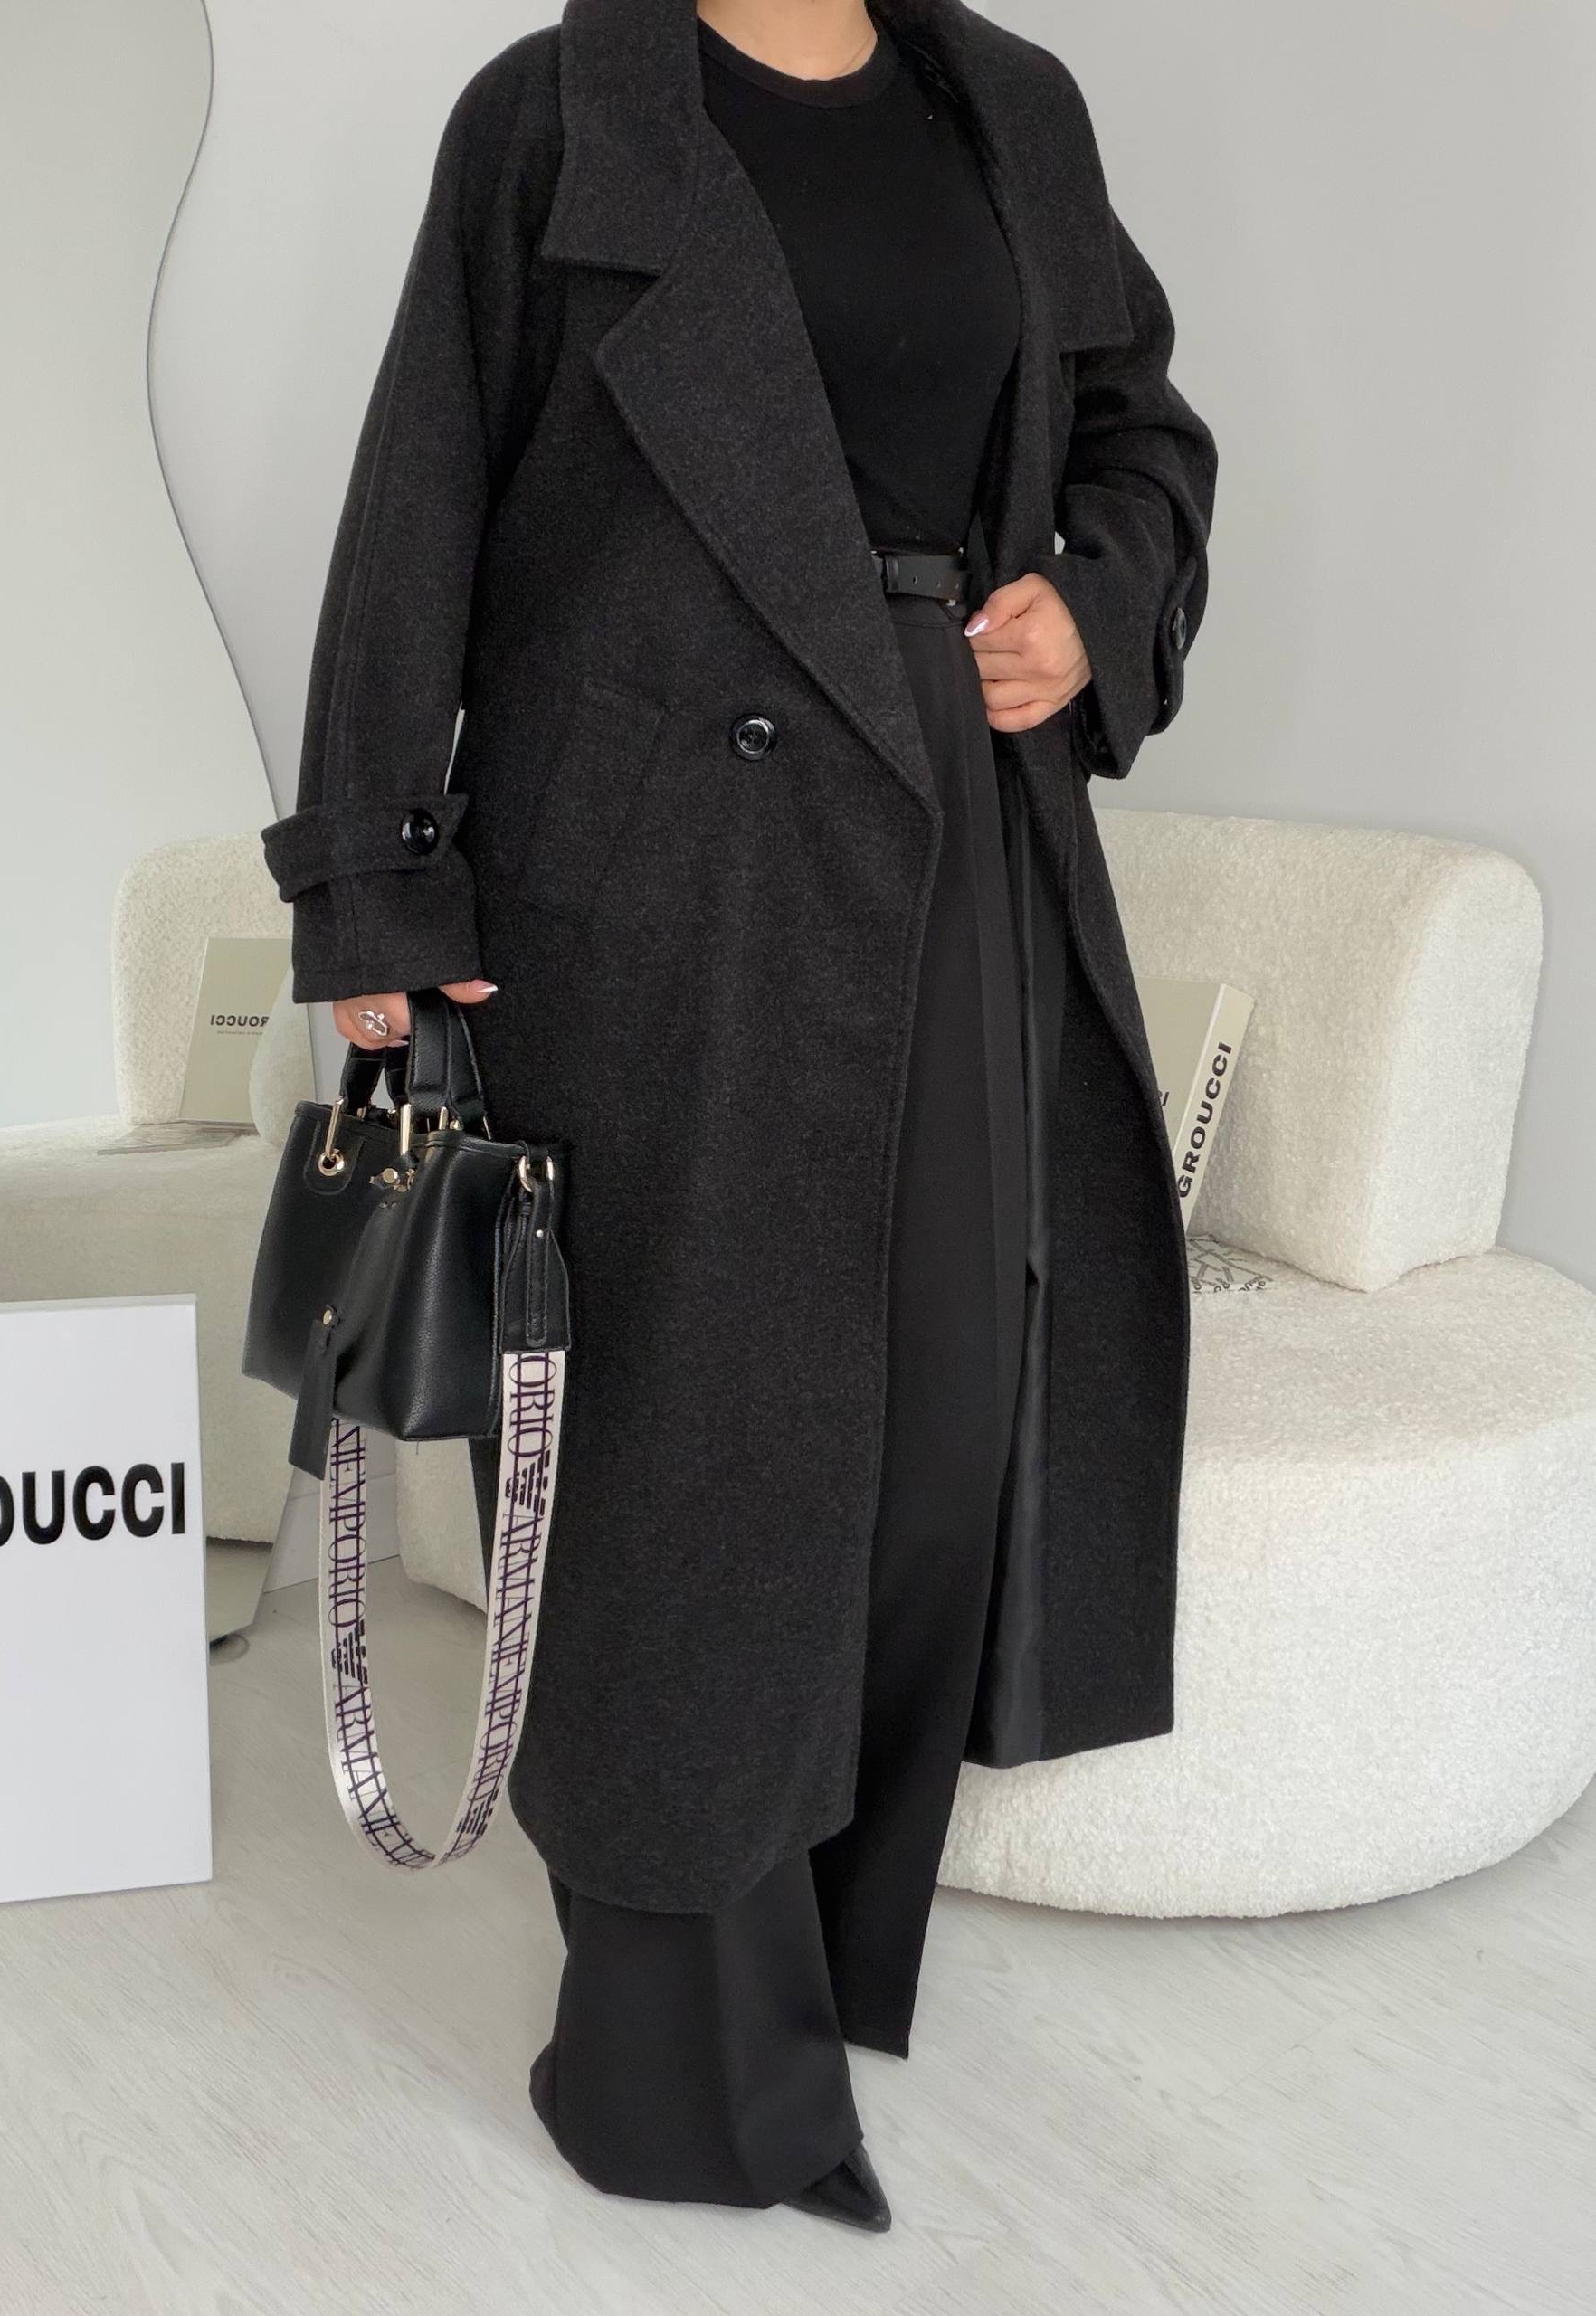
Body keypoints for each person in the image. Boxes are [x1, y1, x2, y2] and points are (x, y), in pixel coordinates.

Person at [263, 0, 1216, 2231]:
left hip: (952, 834)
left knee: (935, 1413)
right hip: (648, 876)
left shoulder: (1010, 107)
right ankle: (686, 2073)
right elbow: (420, 491)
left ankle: (830, 1944)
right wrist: (378, 888)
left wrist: (1090, 605)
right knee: (682, 1464)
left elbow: (1138, 428)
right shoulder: (558, 115)